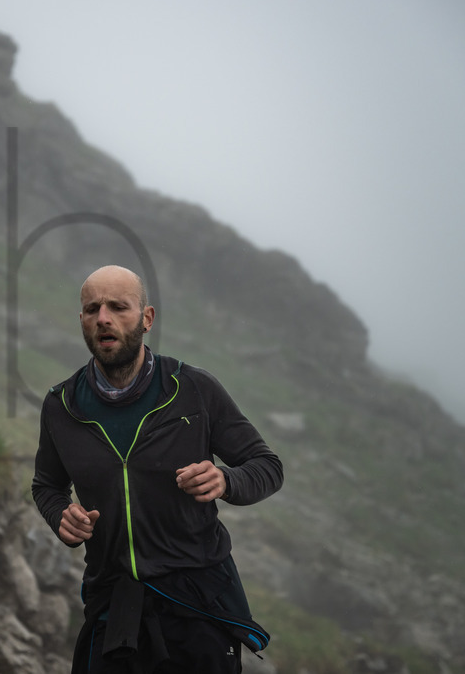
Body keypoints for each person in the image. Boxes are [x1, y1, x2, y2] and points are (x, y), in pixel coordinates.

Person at [32, 265, 284, 674]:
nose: (104, 318)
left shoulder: (194, 390)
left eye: (118, 307)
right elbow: (46, 485)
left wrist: (226, 480)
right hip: (114, 604)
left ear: (147, 318)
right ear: (81, 320)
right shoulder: (61, 405)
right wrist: (61, 515)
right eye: (92, 309)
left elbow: (267, 466)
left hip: (197, 600)